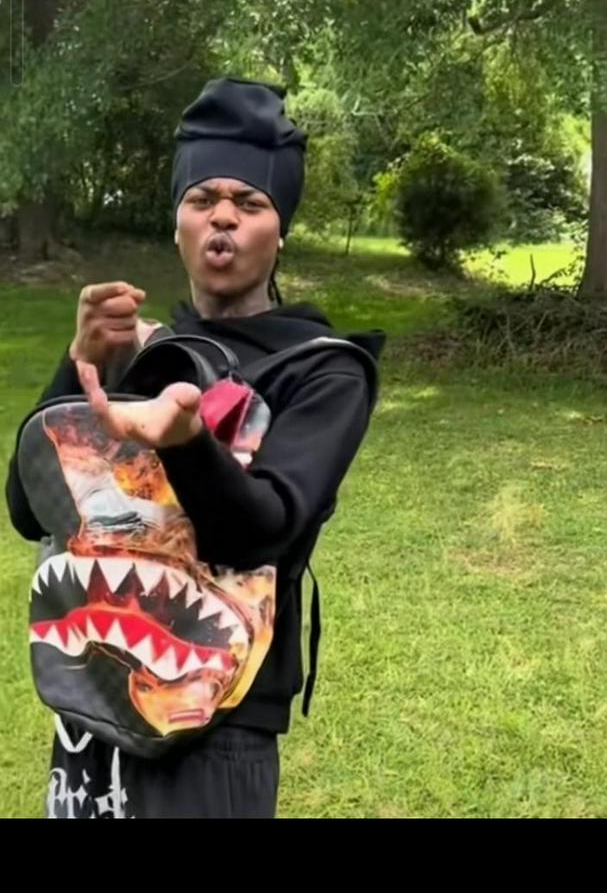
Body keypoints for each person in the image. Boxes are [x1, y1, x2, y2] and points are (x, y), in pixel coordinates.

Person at [5, 77, 385, 819]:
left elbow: (263, 529)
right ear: (178, 222)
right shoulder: (143, 351)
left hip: (218, 722)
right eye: (202, 198)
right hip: (92, 701)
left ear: (280, 231)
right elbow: (29, 509)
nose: (223, 216)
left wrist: (185, 441)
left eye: (250, 203)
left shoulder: (323, 371)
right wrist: (80, 365)